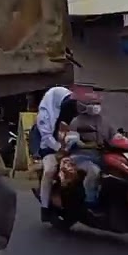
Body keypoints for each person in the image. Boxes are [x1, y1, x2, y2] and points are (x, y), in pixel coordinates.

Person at [35, 86, 79, 217]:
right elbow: (47, 137)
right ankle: (45, 207)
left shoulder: (71, 109)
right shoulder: (44, 116)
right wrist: (59, 148)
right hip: (50, 148)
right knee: (50, 170)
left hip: (72, 147)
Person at [64, 100, 116, 209]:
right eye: (92, 103)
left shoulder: (104, 121)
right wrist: (83, 144)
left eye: (97, 103)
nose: (96, 106)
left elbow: (114, 137)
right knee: (94, 172)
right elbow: (71, 142)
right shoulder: (76, 122)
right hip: (81, 157)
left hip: (101, 156)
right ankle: (90, 202)